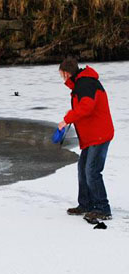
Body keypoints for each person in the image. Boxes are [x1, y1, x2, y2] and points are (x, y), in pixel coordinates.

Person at [58, 57, 114, 221]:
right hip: (92, 135)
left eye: (61, 74)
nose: (61, 77)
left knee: (92, 171)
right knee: (83, 168)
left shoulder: (86, 84)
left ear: (66, 73)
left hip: (100, 135)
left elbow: (86, 107)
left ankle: (102, 208)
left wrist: (67, 119)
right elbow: (84, 107)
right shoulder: (81, 84)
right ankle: (86, 204)